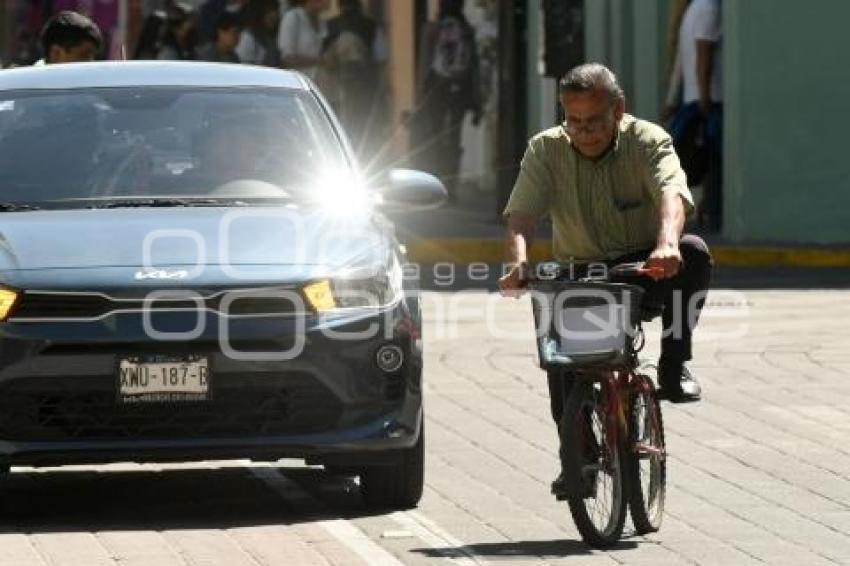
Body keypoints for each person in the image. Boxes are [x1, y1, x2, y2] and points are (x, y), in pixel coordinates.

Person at [498, 63, 712, 495]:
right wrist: (519, 263)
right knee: (560, 357)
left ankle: (674, 364)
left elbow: (672, 194)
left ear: (619, 109)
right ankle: (576, 457)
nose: (584, 132)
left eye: (594, 122)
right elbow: (522, 216)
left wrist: (666, 244)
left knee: (695, 252)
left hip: (643, 266)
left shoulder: (647, 140)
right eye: (573, 122)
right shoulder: (545, 149)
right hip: (581, 270)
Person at [414, 0, 481, 203]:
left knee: (433, 136)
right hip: (459, 88)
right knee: (453, 137)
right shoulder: (466, 29)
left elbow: (424, 63)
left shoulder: (433, 28)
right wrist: (476, 97)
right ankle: (450, 187)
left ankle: (434, 184)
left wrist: (420, 94)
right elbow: (473, 65)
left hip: (435, 88)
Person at [670, 0, 723, 230]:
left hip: (695, 99)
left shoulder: (692, 10)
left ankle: (706, 209)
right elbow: (704, 56)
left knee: (705, 159)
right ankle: (711, 212)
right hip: (710, 100)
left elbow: (680, 64)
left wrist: (671, 100)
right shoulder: (708, 8)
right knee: (714, 160)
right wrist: (704, 96)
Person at [322, 0, 388, 156]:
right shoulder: (371, 26)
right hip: (365, 91)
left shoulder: (328, 26)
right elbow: (381, 59)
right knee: (366, 136)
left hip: (335, 91)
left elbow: (323, 59)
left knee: (338, 133)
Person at [277, 0, 329, 80]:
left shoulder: (321, 22)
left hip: (317, 78)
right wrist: (319, 61)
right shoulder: (293, 17)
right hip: (297, 80)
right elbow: (287, 59)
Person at [38, 10, 103, 65]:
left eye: (92, 58)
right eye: (83, 55)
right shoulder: (32, 79)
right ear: (56, 53)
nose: (90, 64)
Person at [235, 0, 281, 67]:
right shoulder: (247, 38)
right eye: (268, 12)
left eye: (275, 11)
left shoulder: (271, 38)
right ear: (258, 14)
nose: (274, 16)